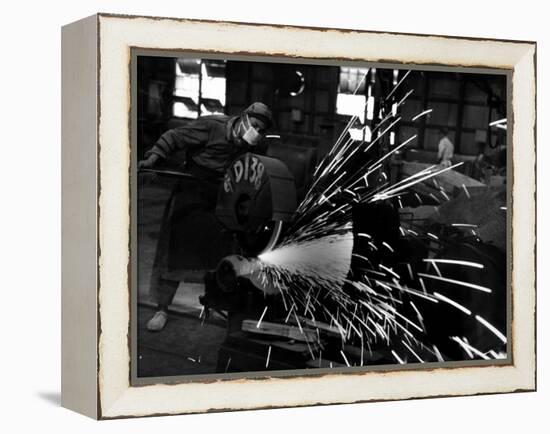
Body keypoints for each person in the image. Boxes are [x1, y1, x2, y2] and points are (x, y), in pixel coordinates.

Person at [139, 102, 273, 331]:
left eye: (262, 130)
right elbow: (173, 137)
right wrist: (153, 160)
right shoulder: (213, 126)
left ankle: (217, 305)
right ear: (244, 118)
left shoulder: (258, 144)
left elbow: (257, 168)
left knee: (219, 254)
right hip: (191, 191)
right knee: (175, 252)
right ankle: (162, 309)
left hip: (221, 197)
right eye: (255, 126)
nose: (257, 132)